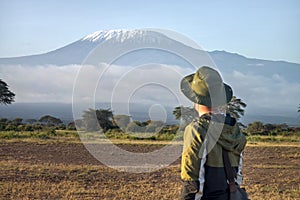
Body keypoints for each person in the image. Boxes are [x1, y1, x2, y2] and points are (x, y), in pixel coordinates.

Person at [180, 66, 247, 200]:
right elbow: (237, 176)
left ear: (195, 99)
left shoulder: (197, 129)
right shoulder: (234, 128)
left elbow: (193, 180)